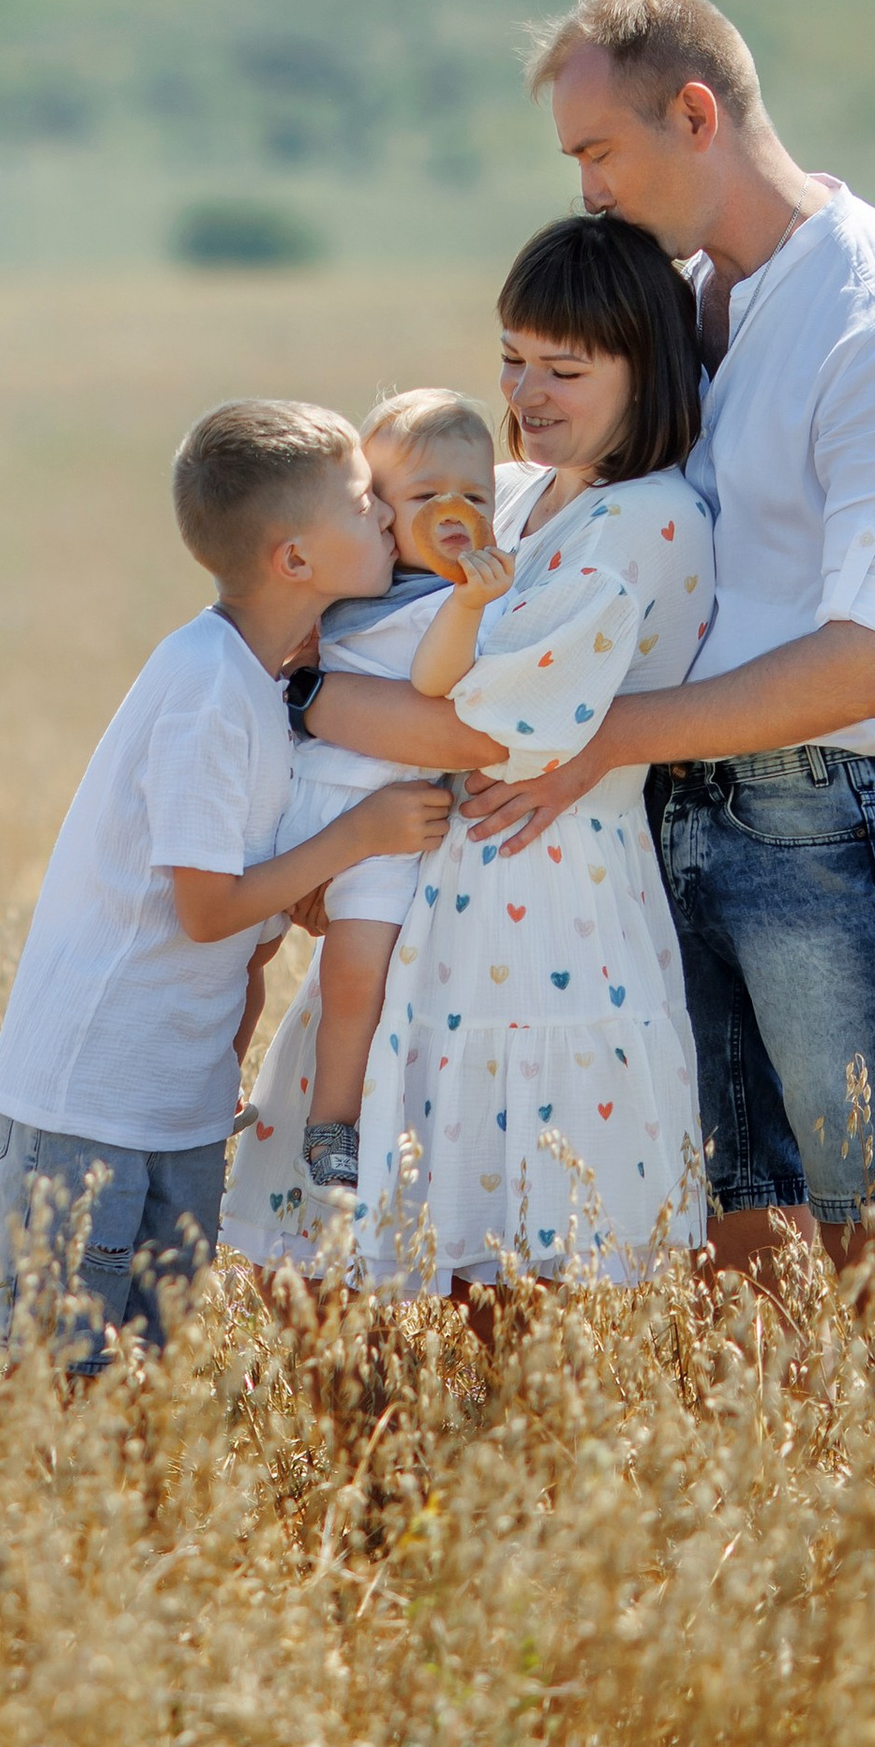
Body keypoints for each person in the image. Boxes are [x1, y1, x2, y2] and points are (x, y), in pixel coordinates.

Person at [403, 0, 875, 1281]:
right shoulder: (679, 303)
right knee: (736, 1218)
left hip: (825, 825)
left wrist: (597, 736)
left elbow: (874, 657)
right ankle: (764, 1483)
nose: (586, 192)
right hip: (666, 818)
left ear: (694, 113)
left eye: (597, 153)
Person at [222, 218, 712, 1295]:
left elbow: (492, 735)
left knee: (521, 1255)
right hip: (429, 895)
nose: (526, 392)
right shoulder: (523, 489)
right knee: (348, 1257)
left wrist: (309, 693)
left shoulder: (651, 521)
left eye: (564, 370)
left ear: (649, 369)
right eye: (511, 358)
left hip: (552, 912)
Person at [0, 399, 453, 1375]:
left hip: (178, 1101)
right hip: (92, 1099)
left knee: (141, 1372)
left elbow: (255, 885)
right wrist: (358, 835)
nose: (387, 517)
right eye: (366, 500)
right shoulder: (205, 690)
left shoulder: (264, 678)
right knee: (59, 1378)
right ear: (294, 559)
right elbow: (204, 909)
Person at [268, 389, 505, 1194]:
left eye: (476, 497)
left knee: (357, 971)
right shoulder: (350, 581)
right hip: (296, 797)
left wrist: (471, 603)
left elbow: (440, 678)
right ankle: (205, 1084)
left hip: (392, 822)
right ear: (376, 511)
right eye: (424, 496)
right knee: (239, 948)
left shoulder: (458, 601)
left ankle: (332, 1122)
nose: (454, 512)